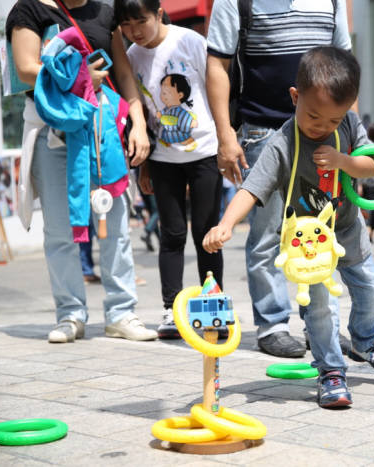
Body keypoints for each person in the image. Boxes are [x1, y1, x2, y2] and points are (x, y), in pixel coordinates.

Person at [203, 47, 374, 408]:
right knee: (321, 307)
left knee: (371, 289)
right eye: (313, 116)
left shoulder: (348, 125)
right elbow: (252, 187)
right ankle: (330, 370)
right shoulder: (282, 143)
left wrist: (343, 160)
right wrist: (226, 223)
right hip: (309, 242)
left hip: (347, 228)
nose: (322, 127)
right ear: (295, 97)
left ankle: (365, 340)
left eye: (332, 119)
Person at [205, 0, 352, 358]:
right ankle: (272, 324)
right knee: (270, 232)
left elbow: (346, 70)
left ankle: (321, 323)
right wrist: (225, 136)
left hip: (323, 139)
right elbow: (217, 66)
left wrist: (348, 139)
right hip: (265, 131)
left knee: (321, 228)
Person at [7, 0, 157, 343]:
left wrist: (137, 123)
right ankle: (70, 314)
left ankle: (121, 313)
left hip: (103, 130)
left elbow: (122, 73)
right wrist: (79, 75)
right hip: (54, 131)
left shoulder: (104, 12)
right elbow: (26, 67)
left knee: (115, 224)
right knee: (60, 230)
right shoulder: (29, 9)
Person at [116, 0, 225, 340]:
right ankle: (171, 309)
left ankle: (212, 309)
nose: (134, 32)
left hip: (205, 152)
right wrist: (145, 166)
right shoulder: (131, 57)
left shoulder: (189, 41)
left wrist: (226, 141)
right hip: (163, 159)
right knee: (172, 235)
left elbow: (215, 91)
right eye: (126, 25)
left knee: (208, 235)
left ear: (159, 13)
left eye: (141, 22)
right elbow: (142, 117)